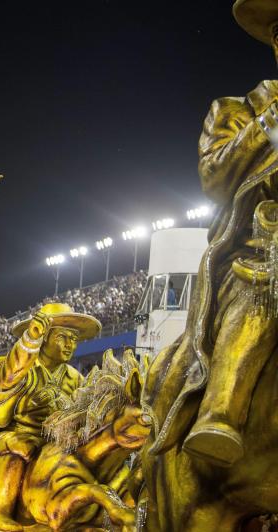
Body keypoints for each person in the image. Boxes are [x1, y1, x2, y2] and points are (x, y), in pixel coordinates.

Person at [145, 0, 278, 467]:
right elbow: (215, 178)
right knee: (258, 290)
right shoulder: (236, 111)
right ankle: (222, 410)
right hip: (264, 242)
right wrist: (266, 127)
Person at [0, 303, 100, 531]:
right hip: (16, 435)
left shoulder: (76, 378)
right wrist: (30, 339)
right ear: (44, 339)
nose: (70, 345)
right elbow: (6, 377)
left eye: (74, 339)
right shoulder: (22, 365)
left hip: (56, 445)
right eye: (63, 337)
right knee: (21, 446)